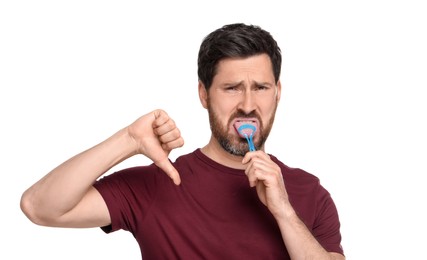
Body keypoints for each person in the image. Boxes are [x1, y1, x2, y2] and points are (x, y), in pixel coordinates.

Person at [20, 23, 345, 259]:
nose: (247, 104)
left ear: (278, 93)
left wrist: (284, 212)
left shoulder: (308, 192)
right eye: (231, 88)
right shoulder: (157, 184)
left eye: (260, 87)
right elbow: (40, 206)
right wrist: (129, 139)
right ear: (203, 94)